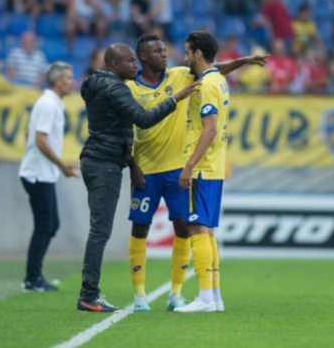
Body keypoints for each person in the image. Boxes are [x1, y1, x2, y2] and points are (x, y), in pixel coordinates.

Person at [125, 33, 267, 312]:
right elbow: (122, 128)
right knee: (145, 227)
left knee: (190, 228)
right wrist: (131, 162)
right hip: (146, 167)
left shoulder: (182, 76)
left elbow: (213, 70)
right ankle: (143, 294)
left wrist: (243, 61)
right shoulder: (130, 88)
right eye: (158, 51)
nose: (167, 55)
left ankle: (182, 294)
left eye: (167, 50)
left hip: (182, 167)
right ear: (144, 57)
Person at [77, 43, 200, 312]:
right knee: (100, 230)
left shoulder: (94, 82)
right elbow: (143, 119)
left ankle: (91, 293)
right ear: (114, 65)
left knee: (100, 228)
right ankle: (89, 294)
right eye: (130, 61)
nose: (136, 66)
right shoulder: (116, 88)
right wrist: (175, 99)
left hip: (99, 159)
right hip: (105, 162)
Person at [175, 31, 229, 313]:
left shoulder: (206, 84)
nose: (185, 58)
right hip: (215, 166)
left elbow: (209, 128)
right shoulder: (219, 79)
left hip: (203, 168)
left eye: (187, 52)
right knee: (206, 229)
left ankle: (205, 297)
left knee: (196, 226)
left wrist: (189, 165)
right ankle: (215, 296)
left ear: (198, 53)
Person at [19, 62, 79, 292]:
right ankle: (32, 279)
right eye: (68, 77)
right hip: (37, 175)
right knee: (46, 225)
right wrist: (62, 165)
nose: (72, 81)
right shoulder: (48, 104)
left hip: (41, 172)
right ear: (57, 81)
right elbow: (40, 139)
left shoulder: (50, 103)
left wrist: (33, 156)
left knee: (50, 224)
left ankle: (33, 276)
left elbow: (29, 133)